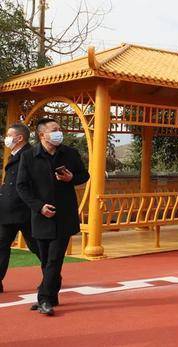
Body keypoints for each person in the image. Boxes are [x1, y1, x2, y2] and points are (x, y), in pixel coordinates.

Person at [16, 117, 90, 315]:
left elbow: (85, 175)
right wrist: (39, 207)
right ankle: (52, 295)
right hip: (41, 216)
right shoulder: (29, 156)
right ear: (42, 135)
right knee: (46, 259)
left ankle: (44, 299)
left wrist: (71, 178)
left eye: (60, 128)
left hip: (64, 215)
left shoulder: (70, 154)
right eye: (55, 129)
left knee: (55, 259)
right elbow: (21, 186)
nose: (59, 132)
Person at [1, 123, 40, 293]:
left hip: (25, 210)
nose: (6, 139)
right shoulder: (14, 155)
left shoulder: (30, 155)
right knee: (1, 245)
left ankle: (52, 276)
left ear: (19, 138)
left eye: (9, 136)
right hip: (8, 210)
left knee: (37, 246)